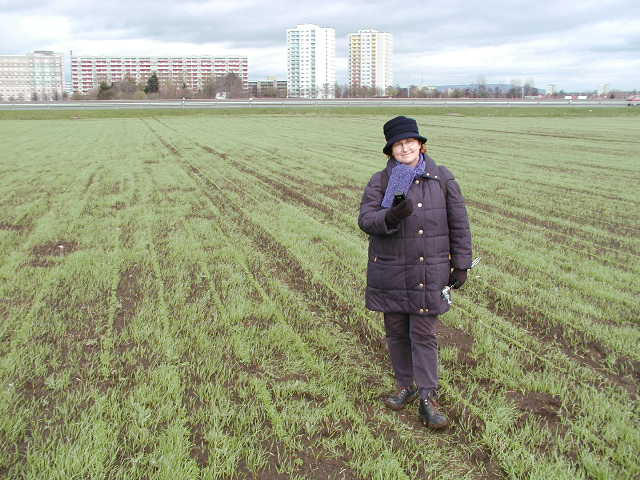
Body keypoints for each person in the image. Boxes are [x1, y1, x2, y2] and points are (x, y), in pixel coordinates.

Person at [358, 116, 472, 429]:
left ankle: (427, 396)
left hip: (428, 270)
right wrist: (391, 215)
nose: (405, 147)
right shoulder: (380, 182)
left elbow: (459, 224)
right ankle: (405, 386)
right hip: (391, 271)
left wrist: (461, 263)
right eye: (398, 143)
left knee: (423, 334)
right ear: (390, 150)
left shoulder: (442, 178)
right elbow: (366, 221)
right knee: (396, 332)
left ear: (420, 144)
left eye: (410, 141)